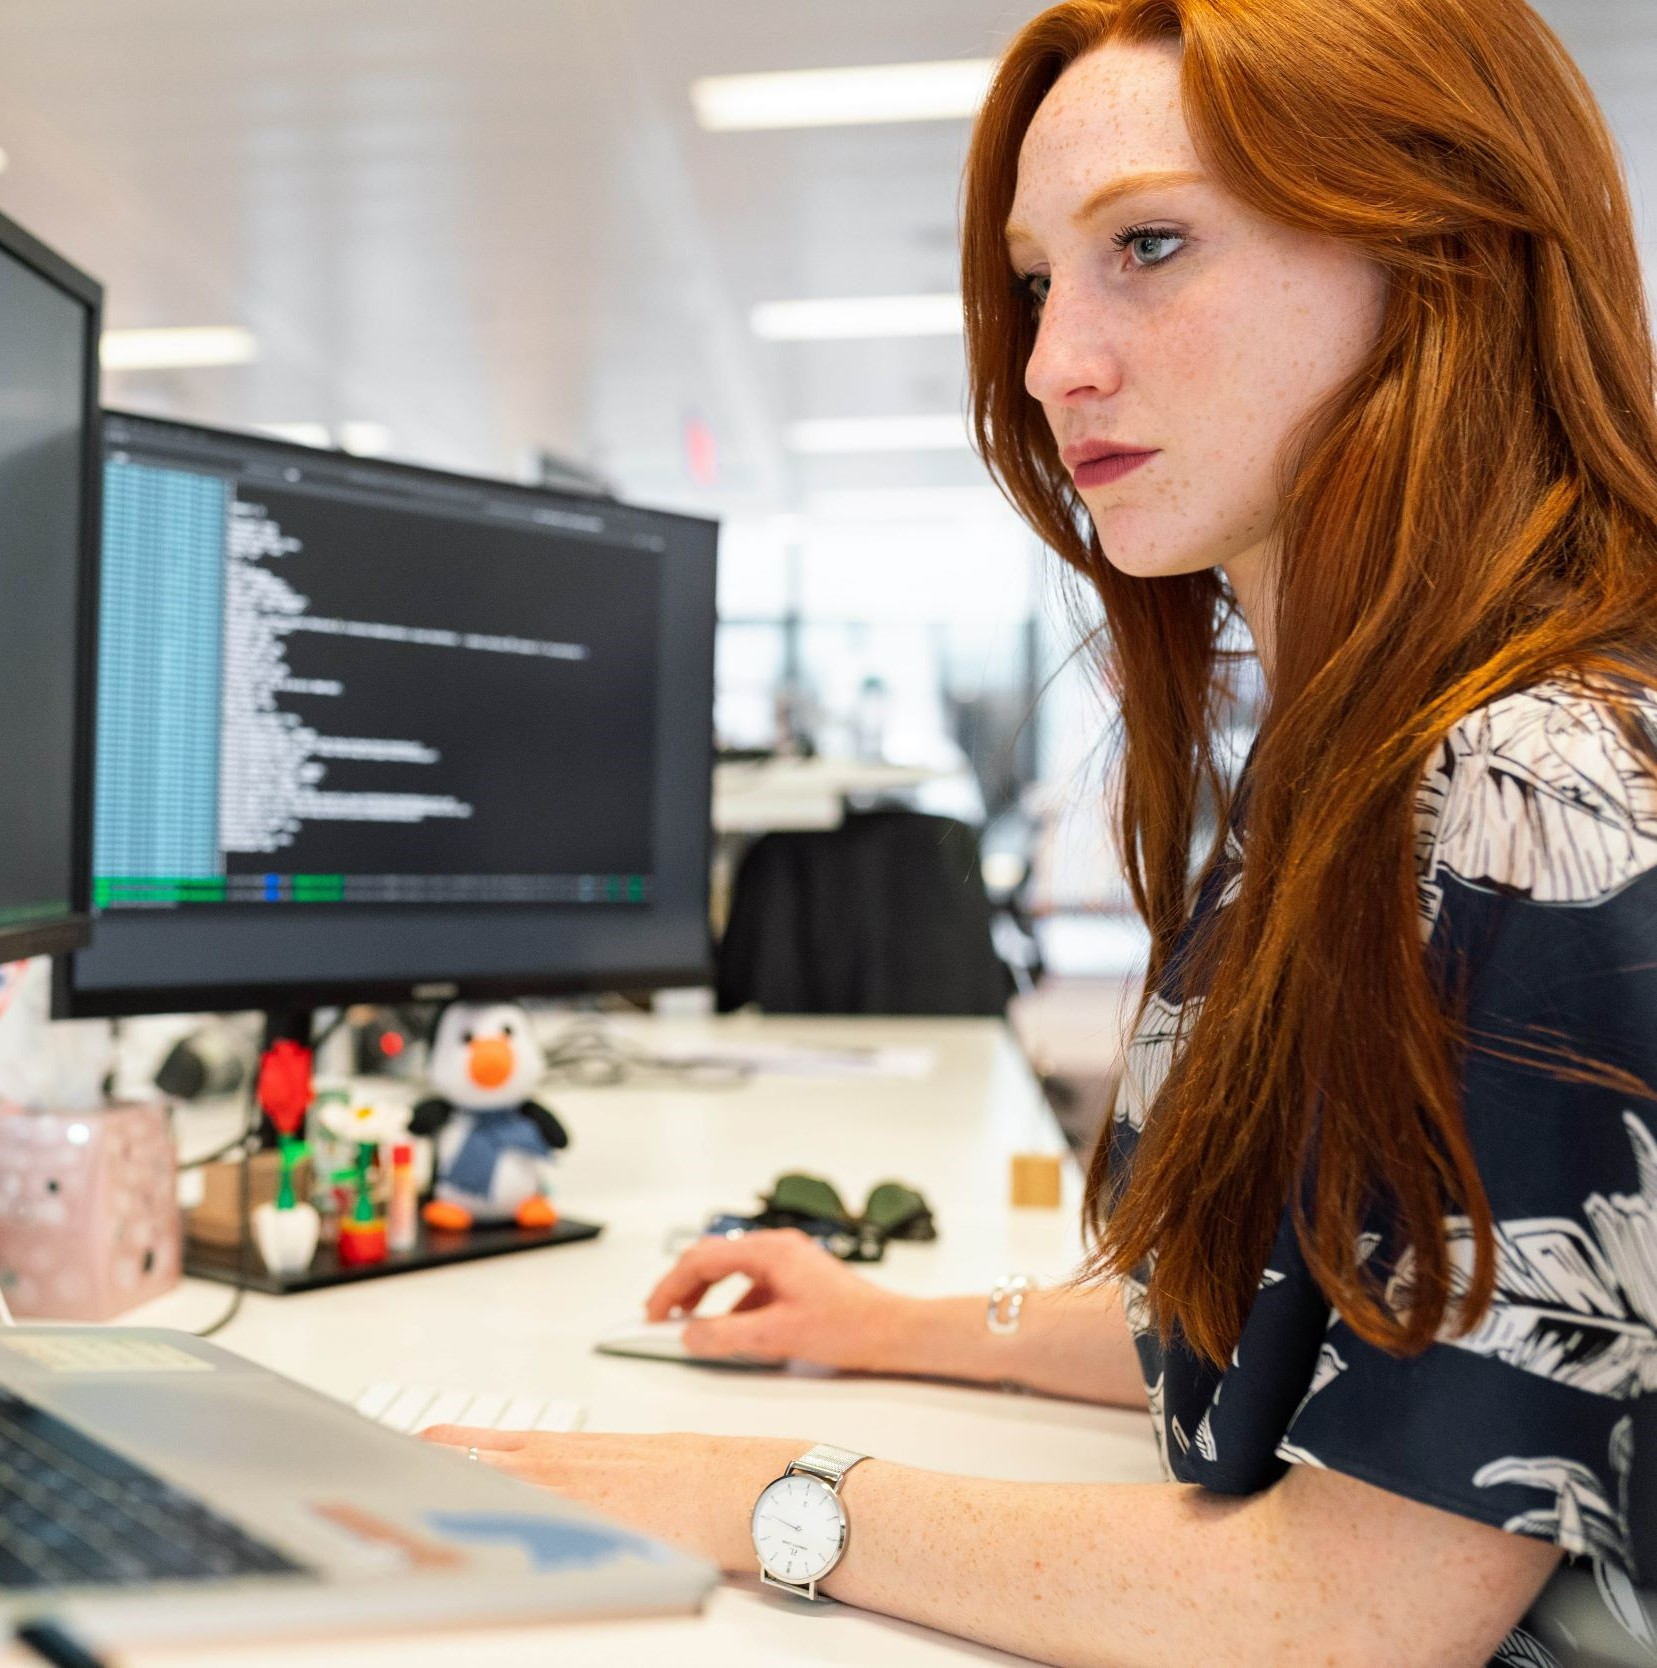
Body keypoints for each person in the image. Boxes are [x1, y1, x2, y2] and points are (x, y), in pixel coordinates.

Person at [426, 1, 1657, 1662]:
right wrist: (900, 1325)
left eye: (1148, 245)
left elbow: (1356, 1608)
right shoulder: (1357, 763)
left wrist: (747, 1497)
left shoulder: (1540, 789)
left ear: (1439, 252)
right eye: (1033, 281)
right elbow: (1326, 1327)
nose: (1048, 359)